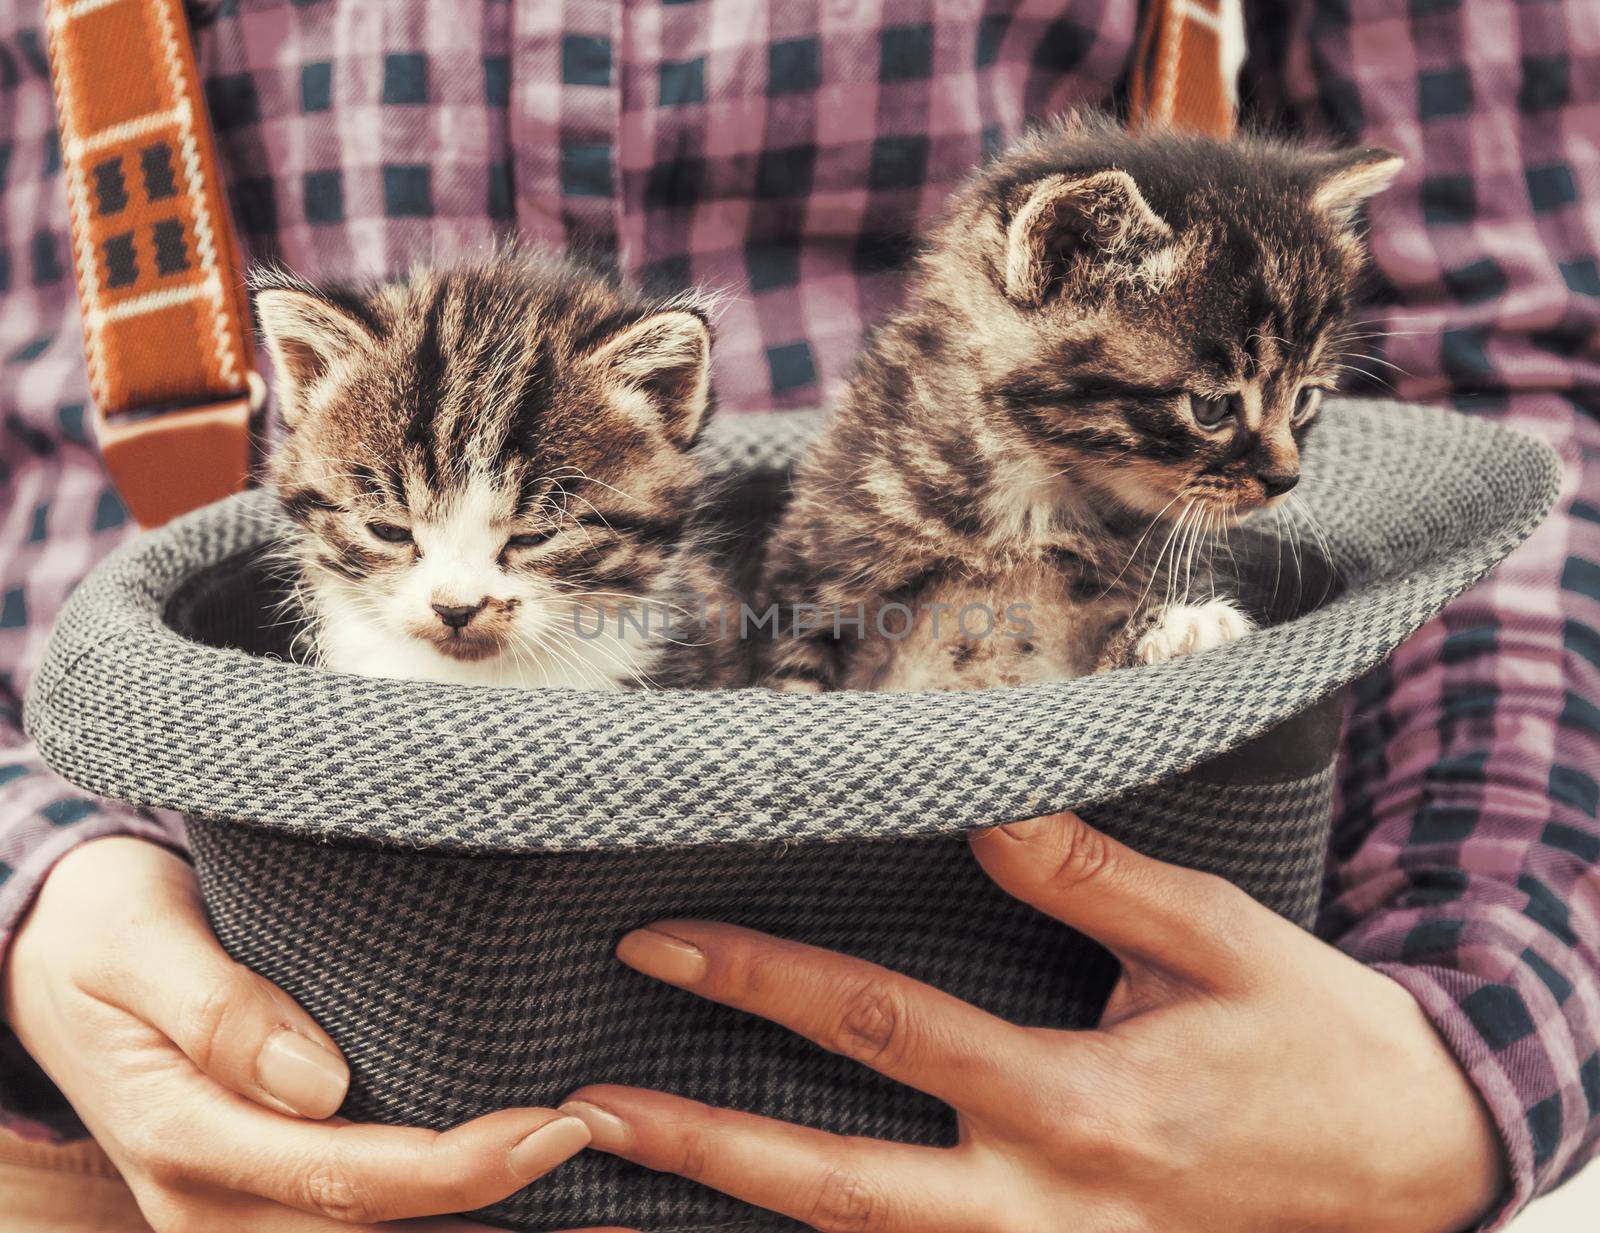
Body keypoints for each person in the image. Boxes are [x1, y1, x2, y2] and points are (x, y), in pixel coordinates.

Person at [0, 1, 1595, 1230]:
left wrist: (1461, 1043)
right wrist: (26, 889)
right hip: (181, 1071)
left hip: (1123, 1106)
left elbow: (1501, 388)